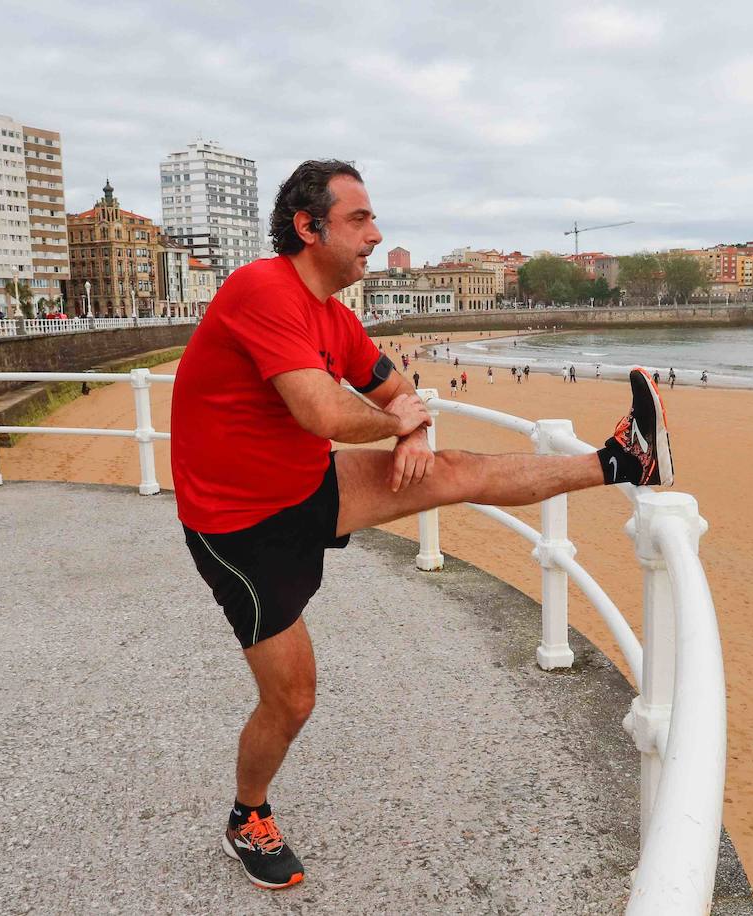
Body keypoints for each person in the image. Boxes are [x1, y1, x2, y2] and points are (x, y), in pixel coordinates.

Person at [170, 160, 676, 892]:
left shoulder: (336, 318)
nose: (376, 235)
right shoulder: (262, 289)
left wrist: (410, 432)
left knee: (456, 468)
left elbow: (396, 391)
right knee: (294, 698)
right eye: (359, 220)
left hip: (305, 484)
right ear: (309, 228)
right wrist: (395, 422)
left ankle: (624, 460)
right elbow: (319, 409)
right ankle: (247, 817)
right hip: (239, 526)